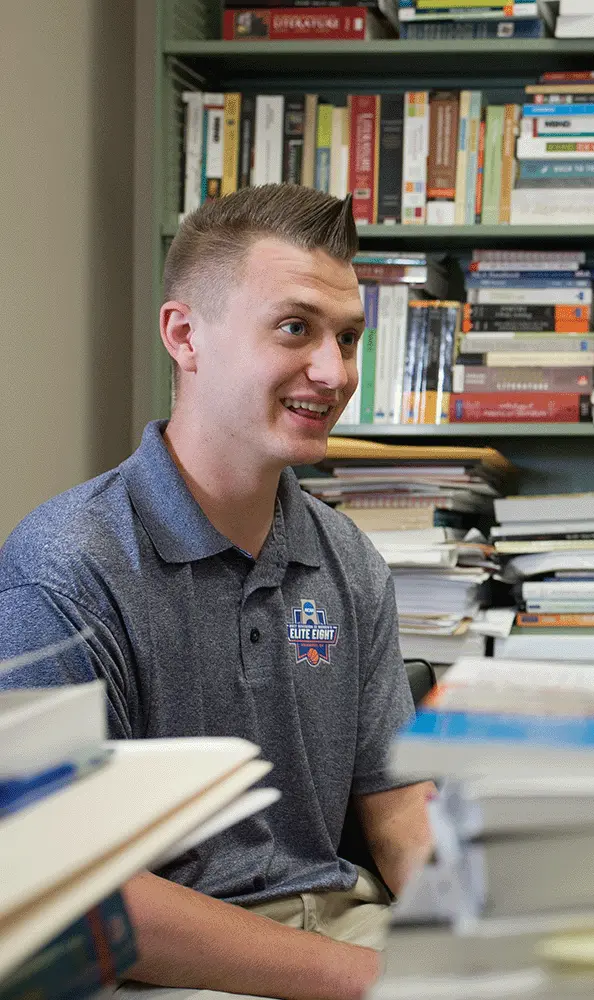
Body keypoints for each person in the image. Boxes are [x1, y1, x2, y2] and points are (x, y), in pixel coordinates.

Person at [0, 184, 433, 1000]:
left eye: (348, 337)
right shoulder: (63, 565)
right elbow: (74, 896)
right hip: (170, 965)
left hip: (352, 926)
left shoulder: (349, 559)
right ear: (185, 334)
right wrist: (379, 982)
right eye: (296, 328)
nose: (334, 372)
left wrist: (491, 940)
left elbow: (401, 809)